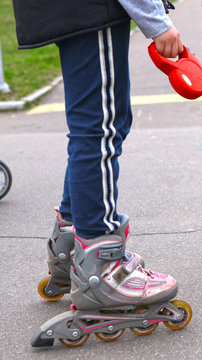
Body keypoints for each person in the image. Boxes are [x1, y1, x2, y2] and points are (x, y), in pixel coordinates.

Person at [12, 0, 189, 346]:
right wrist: (156, 21)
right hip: (92, 9)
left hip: (74, 10)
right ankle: (102, 267)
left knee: (105, 124)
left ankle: (71, 241)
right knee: (99, 130)